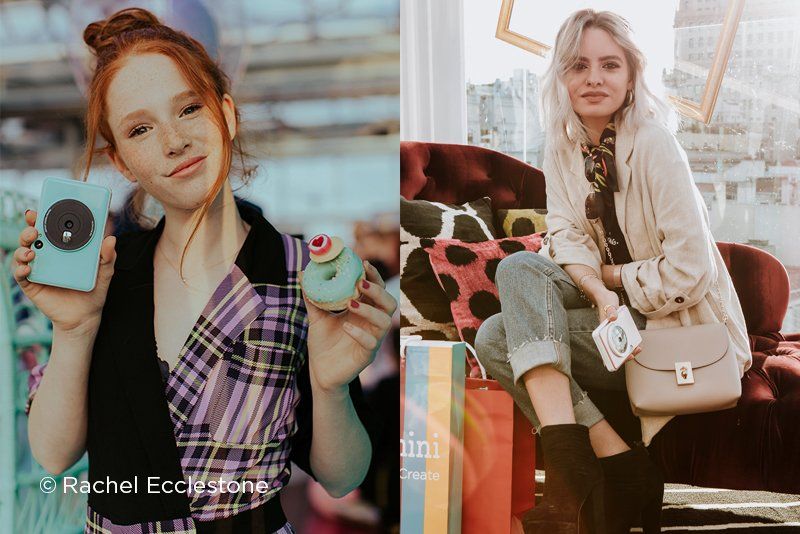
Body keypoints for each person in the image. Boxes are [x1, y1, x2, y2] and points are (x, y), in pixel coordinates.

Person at [12, 8, 396, 533]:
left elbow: (341, 477)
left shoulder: (300, 275)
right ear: (122, 162)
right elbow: (53, 456)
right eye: (140, 128)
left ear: (227, 114)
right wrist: (74, 330)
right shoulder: (105, 278)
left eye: (189, 109)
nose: (173, 141)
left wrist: (330, 387)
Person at [474, 9, 751, 534]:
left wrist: (616, 281)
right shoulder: (562, 146)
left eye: (609, 64)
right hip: (614, 313)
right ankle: (612, 456)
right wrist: (600, 298)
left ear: (631, 76)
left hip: (675, 328)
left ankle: (588, 462)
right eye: (579, 65)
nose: (594, 78)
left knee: (496, 338)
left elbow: (689, 272)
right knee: (518, 271)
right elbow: (567, 237)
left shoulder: (654, 144)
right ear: (561, 76)